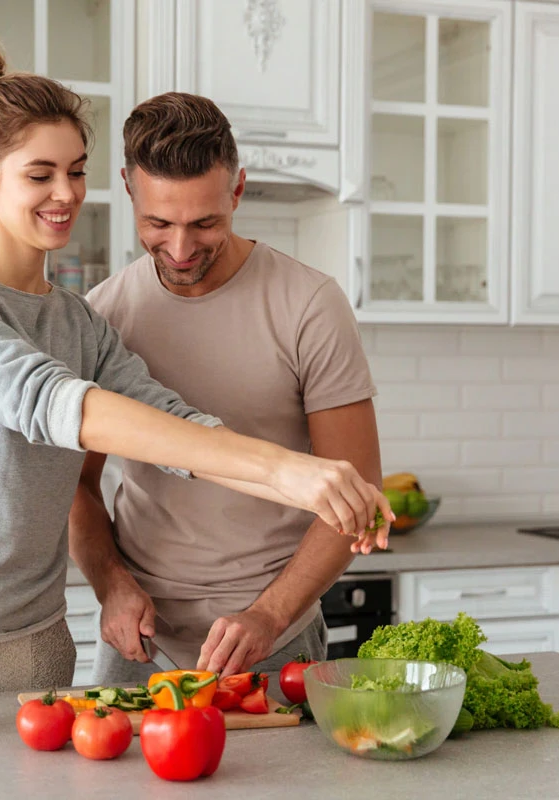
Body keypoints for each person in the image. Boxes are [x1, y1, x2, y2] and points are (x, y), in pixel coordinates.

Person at [0, 46, 390, 702]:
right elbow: (52, 402)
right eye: (40, 175)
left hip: (36, 628)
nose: (65, 194)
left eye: (75, 172)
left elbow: (178, 429)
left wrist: (313, 484)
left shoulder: (81, 325)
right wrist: (285, 471)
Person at [71, 92, 388, 689]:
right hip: (136, 642)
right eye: (158, 223)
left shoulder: (309, 306)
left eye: (205, 223)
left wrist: (269, 615)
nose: (182, 249)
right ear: (128, 190)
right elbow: (75, 488)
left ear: (237, 191)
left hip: (274, 641)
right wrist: (111, 584)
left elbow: (358, 490)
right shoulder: (102, 315)